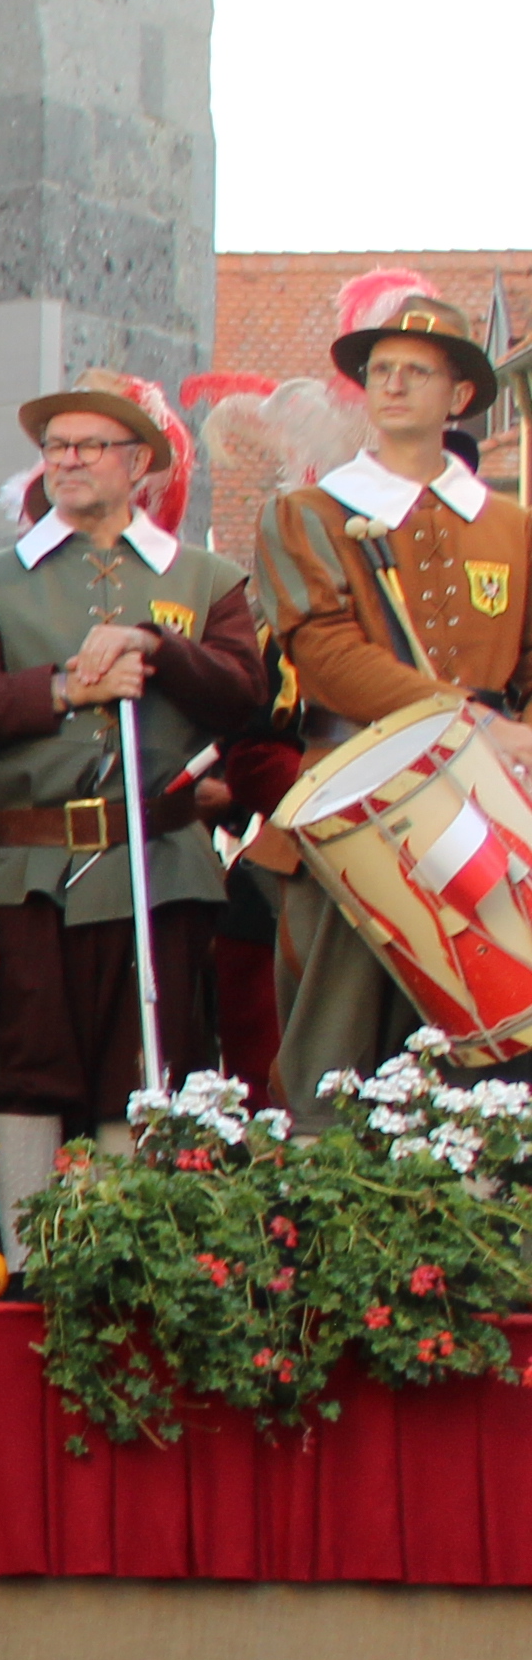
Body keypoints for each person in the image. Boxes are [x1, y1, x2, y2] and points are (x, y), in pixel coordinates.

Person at [0, 374, 268, 1189]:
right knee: (29, 1066)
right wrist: (62, 690)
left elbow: (244, 696)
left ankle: (122, 1256)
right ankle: (25, 1267)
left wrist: (162, 648)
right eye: (56, 447)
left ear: (140, 465)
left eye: (90, 446)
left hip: (158, 863)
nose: (68, 461)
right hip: (32, 867)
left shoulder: (205, 578)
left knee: (149, 1068)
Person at [251, 288, 532, 1090]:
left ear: (462, 396)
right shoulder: (308, 511)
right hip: (351, 792)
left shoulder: (512, 526)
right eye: (381, 370)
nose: (395, 385)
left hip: (491, 804)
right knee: (334, 1051)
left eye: (418, 371)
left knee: (494, 1042)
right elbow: (325, 653)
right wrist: (470, 722)